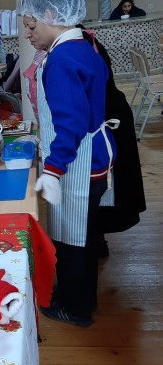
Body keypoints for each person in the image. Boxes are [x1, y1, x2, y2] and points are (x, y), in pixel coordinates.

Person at [18, 0, 116, 327]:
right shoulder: (83, 45)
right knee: (84, 237)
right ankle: (81, 296)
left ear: (50, 15)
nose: (28, 34)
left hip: (76, 163)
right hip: (94, 156)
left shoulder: (61, 60)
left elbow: (71, 123)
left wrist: (53, 169)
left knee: (72, 241)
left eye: (31, 26)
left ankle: (76, 308)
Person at [77, 25, 146, 255]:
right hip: (108, 114)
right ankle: (97, 237)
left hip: (107, 119)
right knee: (104, 185)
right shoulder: (83, 41)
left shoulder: (77, 45)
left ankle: (96, 238)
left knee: (105, 184)